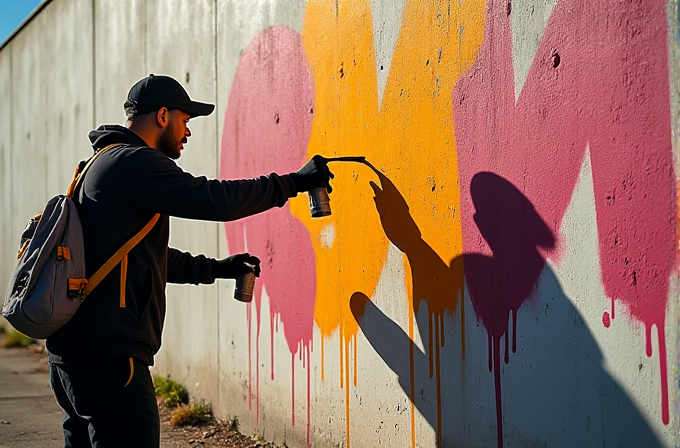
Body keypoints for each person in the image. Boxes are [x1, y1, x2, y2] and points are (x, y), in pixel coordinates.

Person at [45, 74, 333, 448]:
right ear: (162, 116)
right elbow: (216, 199)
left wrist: (216, 268)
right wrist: (294, 182)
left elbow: (140, 258)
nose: (188, 131)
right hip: (109, 360)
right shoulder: (134, 163)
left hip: (72, 358)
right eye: (186, 120)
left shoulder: (99, 163)